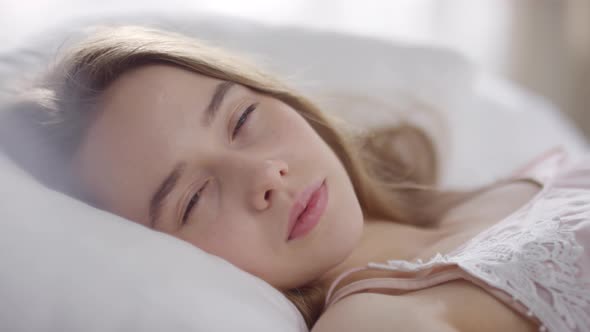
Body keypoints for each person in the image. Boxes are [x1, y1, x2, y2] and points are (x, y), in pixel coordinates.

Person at [1, 25, 589, 332]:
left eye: (243, 118)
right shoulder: (378, 319)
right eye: (194, 198)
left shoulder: (518, 177)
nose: (265, 174)